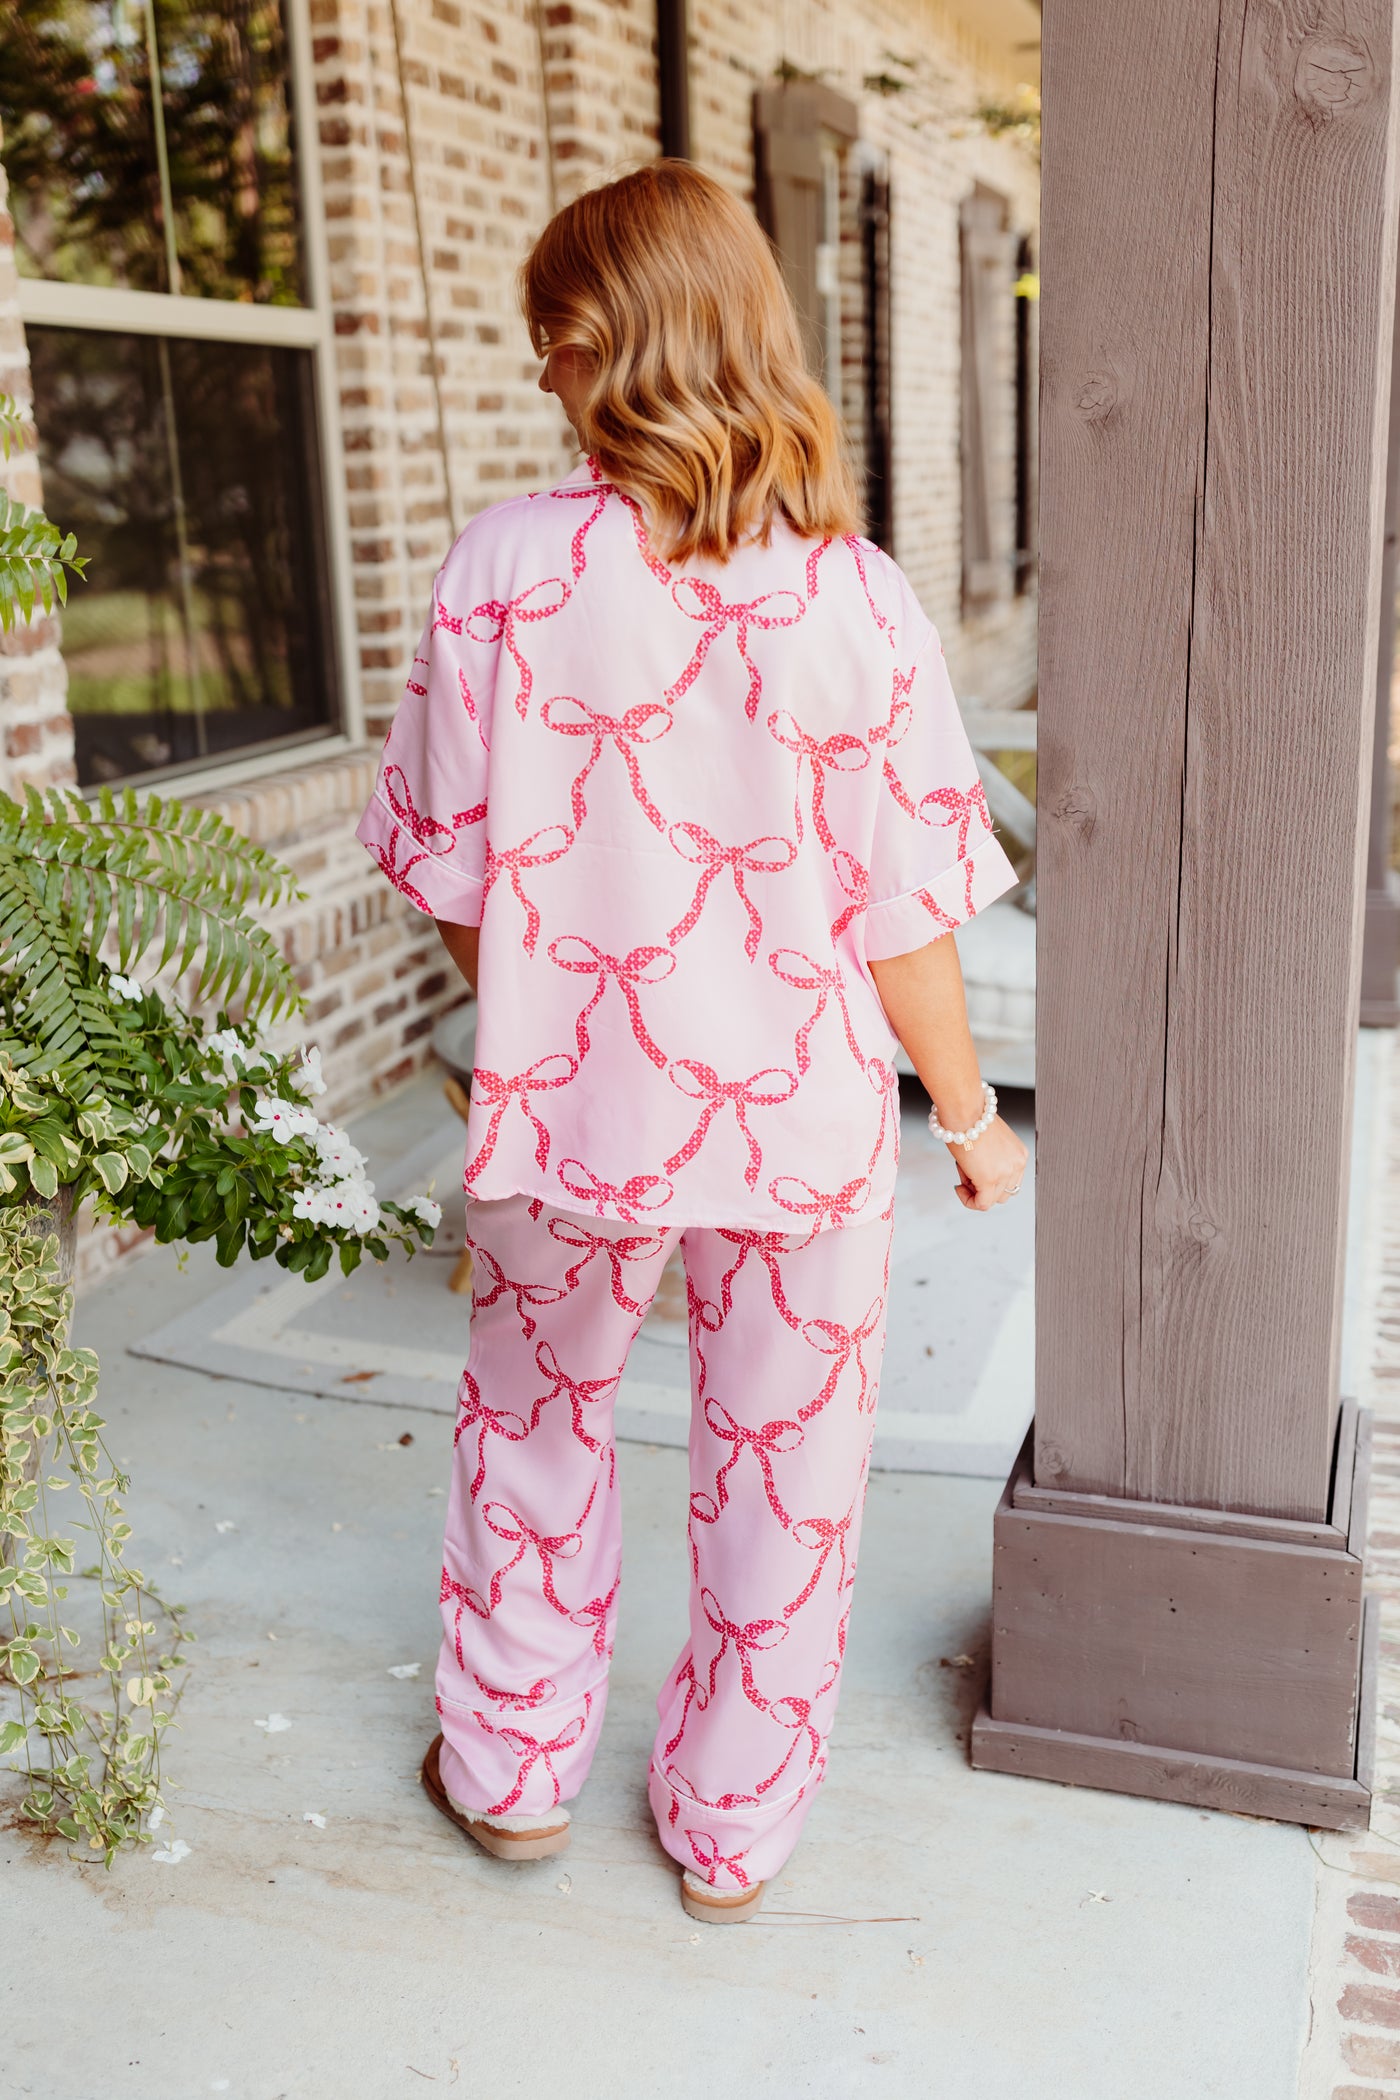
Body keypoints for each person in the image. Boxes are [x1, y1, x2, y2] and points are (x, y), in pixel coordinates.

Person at [356, 160, 1028, 1924]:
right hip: (804, 1125)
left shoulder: (500, 571)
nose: (539, 383)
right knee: (786, 1470)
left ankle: (509, 1771)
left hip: (569, 1112)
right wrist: (966, 1114)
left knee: (534, 1421)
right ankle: (728, 1831)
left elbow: (447, 866)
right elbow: (906, 918)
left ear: (604, 340)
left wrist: (547, 991)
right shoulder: (861, 602)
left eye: (546, 344)